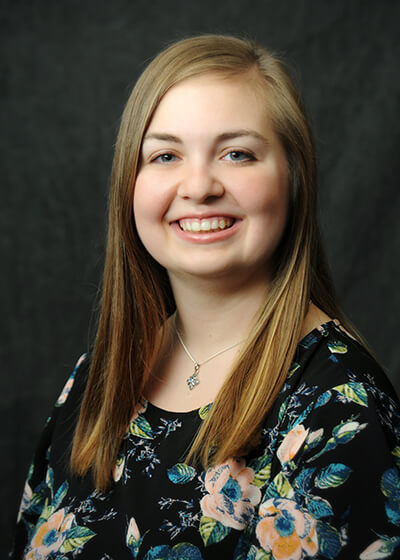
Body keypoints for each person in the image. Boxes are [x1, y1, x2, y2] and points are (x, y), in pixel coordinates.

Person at [10, 34, 400, 560]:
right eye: (165, 155)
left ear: (294, 178)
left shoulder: (341, 408)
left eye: (237, 153)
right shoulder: (99, 377)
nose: (198, 187)